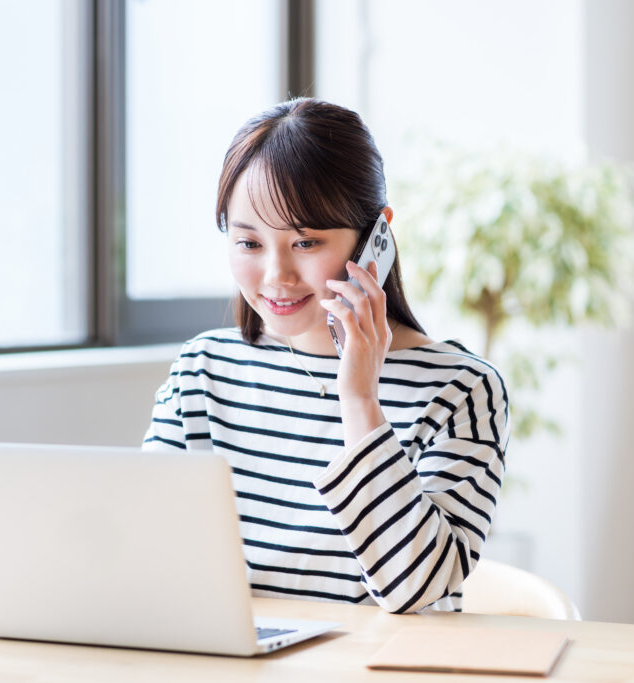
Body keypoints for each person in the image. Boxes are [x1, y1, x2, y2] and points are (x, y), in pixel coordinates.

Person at [143, 98, 508, 614]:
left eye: (306, 241)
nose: (276, 276)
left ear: (376, 236)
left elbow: (415, 591)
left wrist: (359, 398)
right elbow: (146, 559)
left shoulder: (461, 390)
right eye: (248, 243)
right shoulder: (200, 373)